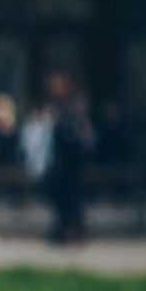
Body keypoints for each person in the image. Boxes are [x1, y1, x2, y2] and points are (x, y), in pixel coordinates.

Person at [43, 71, 93, 244]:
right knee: (65, 201)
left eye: (56, 86)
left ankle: (72, 231)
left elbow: (77, 136)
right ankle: (67, 231)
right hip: (63, 165)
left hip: (70, 165)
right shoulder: (63, 107)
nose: (53, 89)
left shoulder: (72, 107)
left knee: (71, 200)